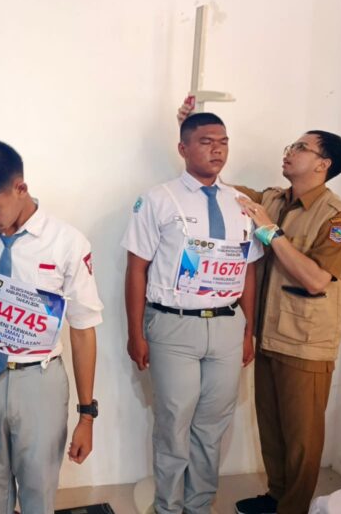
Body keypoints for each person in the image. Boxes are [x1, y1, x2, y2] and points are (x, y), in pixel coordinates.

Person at [177, 99, 341, 514]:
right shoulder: (274, 199)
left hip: (307, 343)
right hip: (269, 335)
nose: (289, 151)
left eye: (301, 147)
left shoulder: (338, 218)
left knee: (301, 437)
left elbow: (316, 279)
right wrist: (193, 134)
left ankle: (293, 508)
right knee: (273, 427)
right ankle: (277, 497)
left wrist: (271, 233)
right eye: (291, 145)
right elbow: (217, 184)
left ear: (323, 164)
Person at [0, 139, 103, 514]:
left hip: (40, 383)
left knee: (39, 491)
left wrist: (87, 414)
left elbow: (83, 330)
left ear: (20, 188)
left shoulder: (67, 244)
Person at [123, 113, 262, 514]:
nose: (217, 149)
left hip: (227, 325)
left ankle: (199, 504)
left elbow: (248, 270)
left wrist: (248, 330)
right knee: (174, 421)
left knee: (212, 424)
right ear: (183, 148)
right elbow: (136, 269)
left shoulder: (242, 204)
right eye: (206, 141)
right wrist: (136, 333)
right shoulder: (158, 199)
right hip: (173, 325)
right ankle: (168, 506)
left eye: (223, 141)